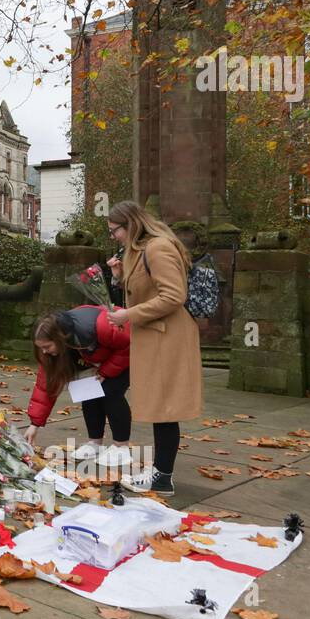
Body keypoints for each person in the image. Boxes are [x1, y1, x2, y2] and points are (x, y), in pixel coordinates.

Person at [105, 200, 203, 496]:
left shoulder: (158, 248)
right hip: (156, 337)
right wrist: (121, 277)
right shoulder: (141, 251)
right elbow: (146, 290)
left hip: (167, 337)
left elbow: (174, 295)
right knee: (161, 407)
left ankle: (163, 478)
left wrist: (128, 315)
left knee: (165, 407)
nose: (113, 237)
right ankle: (161, 474)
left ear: (130, 224)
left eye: (115, 230)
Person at [23, 306, 132, 468]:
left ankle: (121, 447)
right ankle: (94, 443)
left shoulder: (101, 326)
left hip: (126, 353)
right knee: (87, 391)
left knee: (111, 392)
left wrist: (106, 370)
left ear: (60, 338)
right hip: (98, 360)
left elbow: (128, 344)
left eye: (47, 347)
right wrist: (34, 424)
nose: (44, 352)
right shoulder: (54, 349)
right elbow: (45, 385)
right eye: (41, 348)